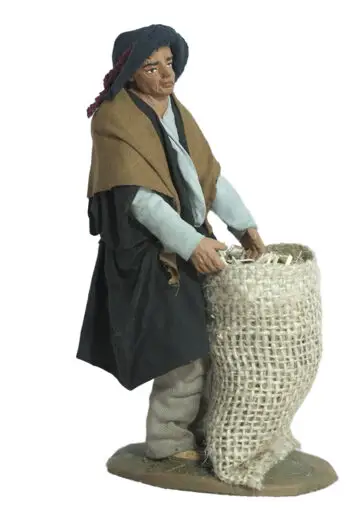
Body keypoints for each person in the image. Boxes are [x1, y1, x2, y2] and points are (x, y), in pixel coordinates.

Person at [77, 24, 266, 462]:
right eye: (152, 67)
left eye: (168, 62)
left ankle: (202, 430)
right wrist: (191, 243)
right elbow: (141, 201)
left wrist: (243, 226)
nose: (166, 74)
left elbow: (207, 177)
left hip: (191, 245)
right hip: (149, 255)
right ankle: (166, 440)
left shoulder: (174, 109)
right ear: (130, 72)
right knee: (182, 351)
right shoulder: (114, 120)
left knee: (213, 342)